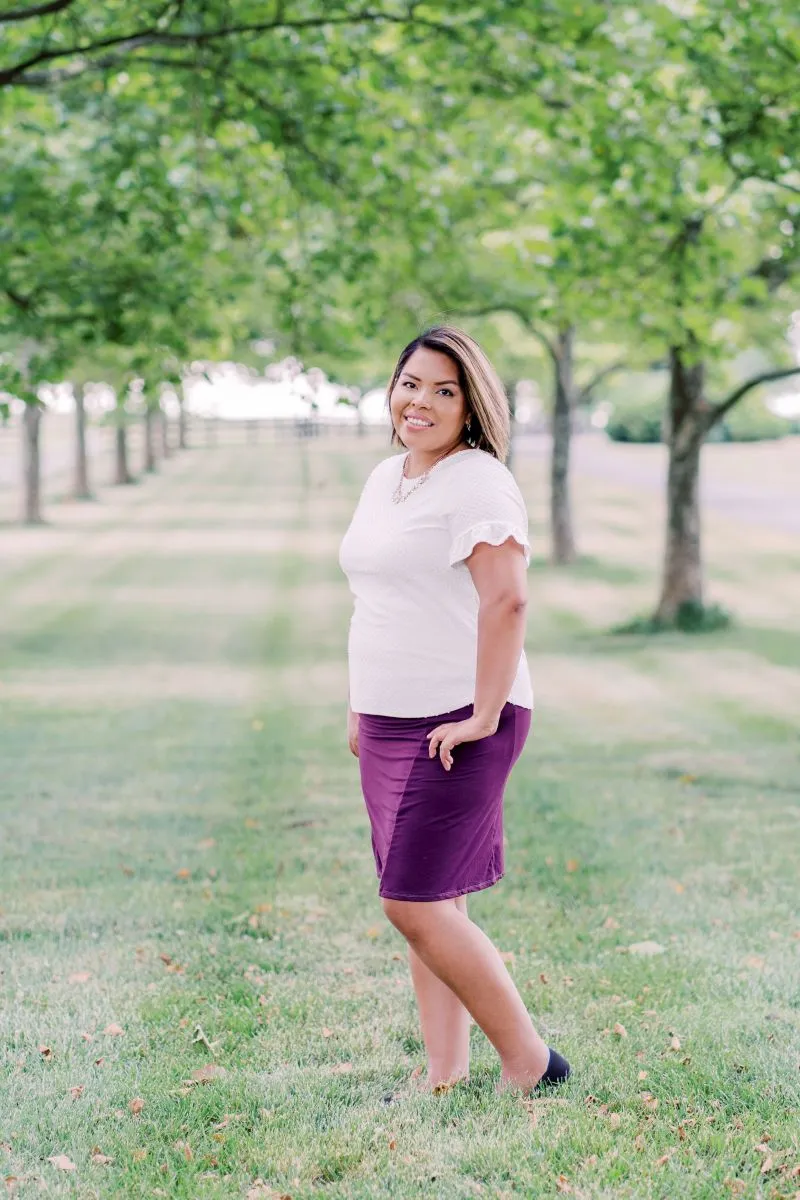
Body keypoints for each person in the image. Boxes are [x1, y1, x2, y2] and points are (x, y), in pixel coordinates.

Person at [338, 325, 571, 1095]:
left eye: (445, 390)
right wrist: (358, 707)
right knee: (433, 903)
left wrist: (482, 714)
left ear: (472, 405)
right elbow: (375, 599)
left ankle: (532, 1062)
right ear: (392, 387)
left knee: (412, 901)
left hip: (458, 720)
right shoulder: (387, 478)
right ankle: (444, 1072)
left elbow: (507, 599)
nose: (422, 402)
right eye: (412, 383)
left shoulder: (477, 480)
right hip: (389, 720)